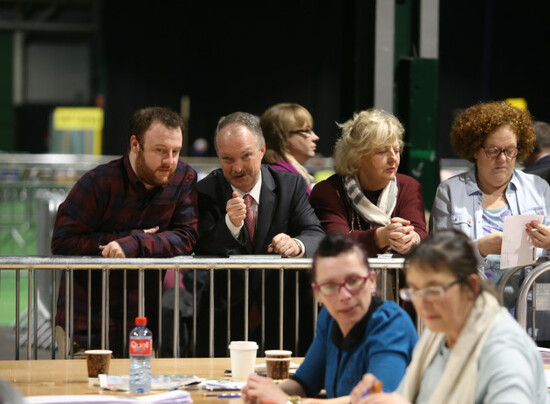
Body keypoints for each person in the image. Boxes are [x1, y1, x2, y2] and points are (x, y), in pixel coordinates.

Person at [51, 106, 198, 357]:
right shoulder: (97, 182)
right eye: (160, 150)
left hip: (141, 320)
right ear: (135, 144)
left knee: (139, 393)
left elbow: (187, 236)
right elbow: (63, 242)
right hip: (86, 320)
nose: (169, 161)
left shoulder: (183, 177)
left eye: (176, 151)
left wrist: (135, 242)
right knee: (85, 394)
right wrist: (121, 240)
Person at [349, 230, 549, 404]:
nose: (423, 303)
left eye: (434, 290)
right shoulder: (437, 333)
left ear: (470, 287)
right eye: (415, 291)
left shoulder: (504, 350)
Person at [194, 111, 325, 356]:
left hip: (284, 315)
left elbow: (315, 233)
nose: (237, 168)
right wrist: (230, 225)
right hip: (224, 318)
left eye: (246, 156)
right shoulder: (206, 190)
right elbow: (201, 245)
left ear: (262, 150)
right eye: (227, 159)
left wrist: (296, 244)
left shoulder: (290, 185)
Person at [241, 234, 418, 403]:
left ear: (372, 280)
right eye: (330, 286)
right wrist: (264, 394)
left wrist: (287, 402)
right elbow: (303, 383)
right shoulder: (329, 317)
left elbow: (374, 400)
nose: (344, 295)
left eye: (354, 281)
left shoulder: (392, 324)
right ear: (318, 293)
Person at [430, 101, 550, 283]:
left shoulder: (538, 188)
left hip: (527, 305)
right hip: (471, 303)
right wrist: (479, 248)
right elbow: (438, 257)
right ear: (475, 150)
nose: (502, 159)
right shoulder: (451, 191)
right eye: (492, 151)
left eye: (510, 150)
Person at [310, 108, 427, 258]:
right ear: (357, 157)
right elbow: (336, 242)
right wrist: (381, 237)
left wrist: (412, 239)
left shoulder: (409, 186)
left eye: (396, 150)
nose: (393, 159)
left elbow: (420, 232)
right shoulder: (328, 191)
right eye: (382, 152)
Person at [260, 103, 319, 195]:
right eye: (306, 131)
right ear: (282, 136)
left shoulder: (288, 173)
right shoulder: (282, 176)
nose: (315, 137)